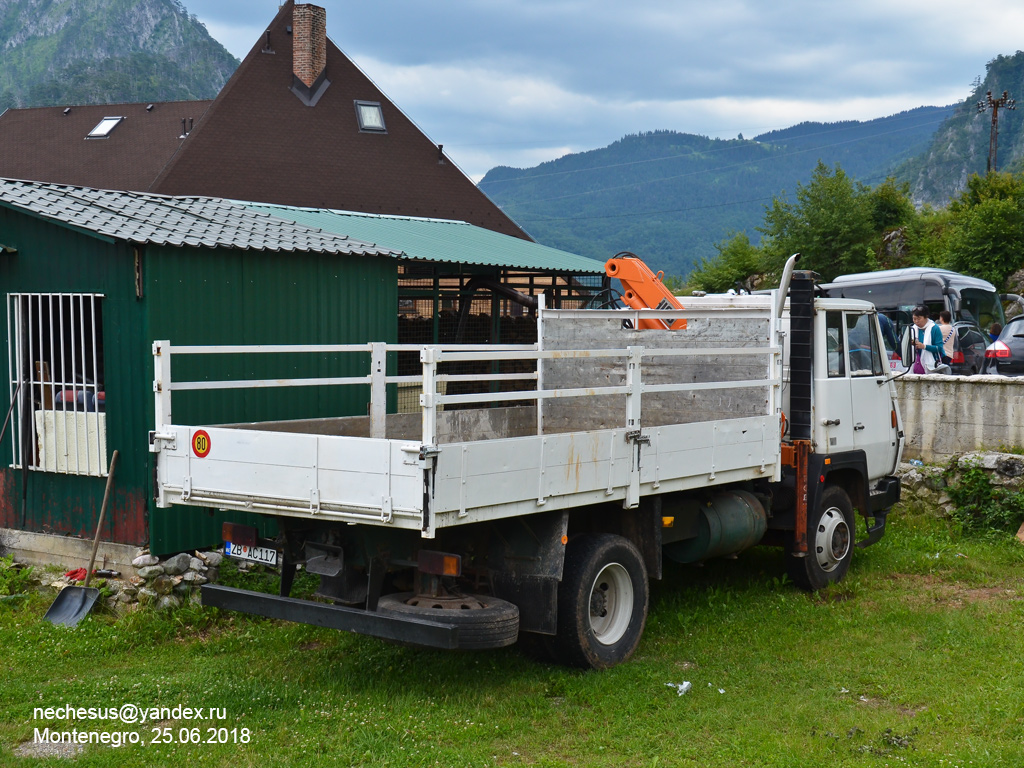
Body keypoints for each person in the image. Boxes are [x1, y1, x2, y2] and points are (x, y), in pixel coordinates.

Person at [911, 306, 947, 373]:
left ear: (926, 317)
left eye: (919, 319)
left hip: (932, 365)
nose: (916, 321)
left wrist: (924, 346)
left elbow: (939, 348)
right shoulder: (913, 329)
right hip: (916, 364)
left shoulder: (934, 328)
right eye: (914, 319)